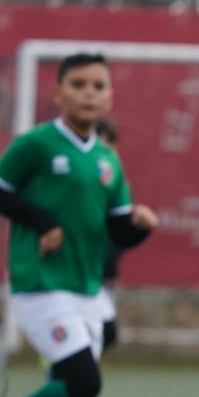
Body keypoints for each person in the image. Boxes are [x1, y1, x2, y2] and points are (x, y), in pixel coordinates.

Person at [0, 52, 158, 397]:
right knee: (84, 382)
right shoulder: (35, 144)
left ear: (110, 97)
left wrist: (142, 226)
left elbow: (119, 231)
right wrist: (42, 222)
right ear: (57, 94)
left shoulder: (107, 162)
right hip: (40, 284)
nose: (89, 93)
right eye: (78, 84)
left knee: (74, 396)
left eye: (98, 86)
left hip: (86, 290)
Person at [95, 117, 124, 352]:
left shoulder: (117, 182)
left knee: (107, 334)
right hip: (69, 274)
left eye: (110, 145)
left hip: (100, 272)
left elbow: (120, 232)